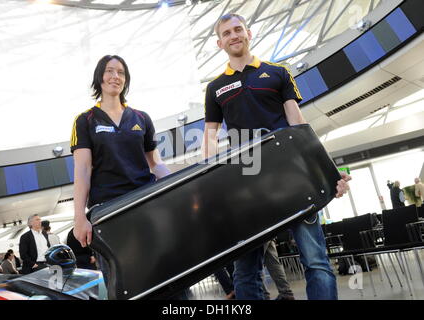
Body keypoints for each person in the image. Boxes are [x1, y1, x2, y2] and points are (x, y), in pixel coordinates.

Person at [202, 13, 351, 300]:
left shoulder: (278, 72)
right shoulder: (215, 87)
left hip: (294, 179)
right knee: (245, 272)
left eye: (238, 30)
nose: (234, 36)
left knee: (316, 262)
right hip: (247, 187)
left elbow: (298, 123)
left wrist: (329, 170)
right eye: (227, 33)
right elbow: (210, 139)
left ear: (249, 33)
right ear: (220, 43)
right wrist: (210, 187)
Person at [70, 55, 188, 299]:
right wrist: (79, 217)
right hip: (109, 213)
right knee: (123, 286)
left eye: (121, 72)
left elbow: (155, 162)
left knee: (170, 280)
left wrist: (176, 189)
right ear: (99, 77)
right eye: (110, 71)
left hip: (145, 205)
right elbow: (82, 171)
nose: (115, 76)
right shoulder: (85, 121)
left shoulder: (141, 118)